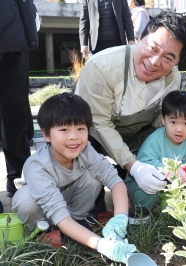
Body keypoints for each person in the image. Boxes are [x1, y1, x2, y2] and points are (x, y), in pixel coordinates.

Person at [75, 11, 186, 220]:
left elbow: (161, 124)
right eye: (153, 47)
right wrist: (135, 166)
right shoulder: (101, 67)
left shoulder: (172, 79)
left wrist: (167, 165)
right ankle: (94, 199)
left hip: (135, 136)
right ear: (140, 38)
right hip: (93, 133)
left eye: (168, 58)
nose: (155, 62)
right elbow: (99, 124)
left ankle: (126, 179)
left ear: (176, 63)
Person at [11, 93, 136, 263]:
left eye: (80, 129)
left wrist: (120, 216)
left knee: (94, 176)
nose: (74, 136)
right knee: (25, 201)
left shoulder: (86, 150)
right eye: (64, 129)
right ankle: (44, 232)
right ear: (46, 134)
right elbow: (58, 213)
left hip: (69, 205)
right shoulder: (37, 165)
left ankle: (76, 223)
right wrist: (100, 244)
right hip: (44, 207)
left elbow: (115, 181)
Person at [124, 90, 186, 220]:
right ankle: (142, 213)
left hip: (171, 183)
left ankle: (185, 210)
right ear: (163, 120)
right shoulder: (155, 139)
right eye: (173, 122)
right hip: (144, 181)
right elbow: (143, 162)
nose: (179, 129)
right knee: (148, 189)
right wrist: (169, 170)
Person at [0, 0, 38, 198]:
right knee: (15, 112)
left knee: (15, 111)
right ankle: (16, 177)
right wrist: (30, 38)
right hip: (13, 37)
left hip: (13, 38)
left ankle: (17, 176)